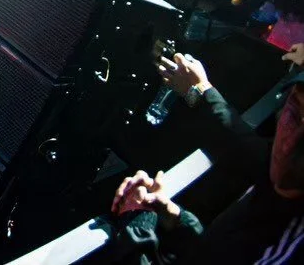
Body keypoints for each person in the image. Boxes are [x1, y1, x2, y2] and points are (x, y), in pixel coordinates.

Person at [109, 45, 304, 264]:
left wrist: (137, 222)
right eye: (295, 113)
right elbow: (213, 253)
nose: (288, 146)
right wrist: (173, 215)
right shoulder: (281, 184)